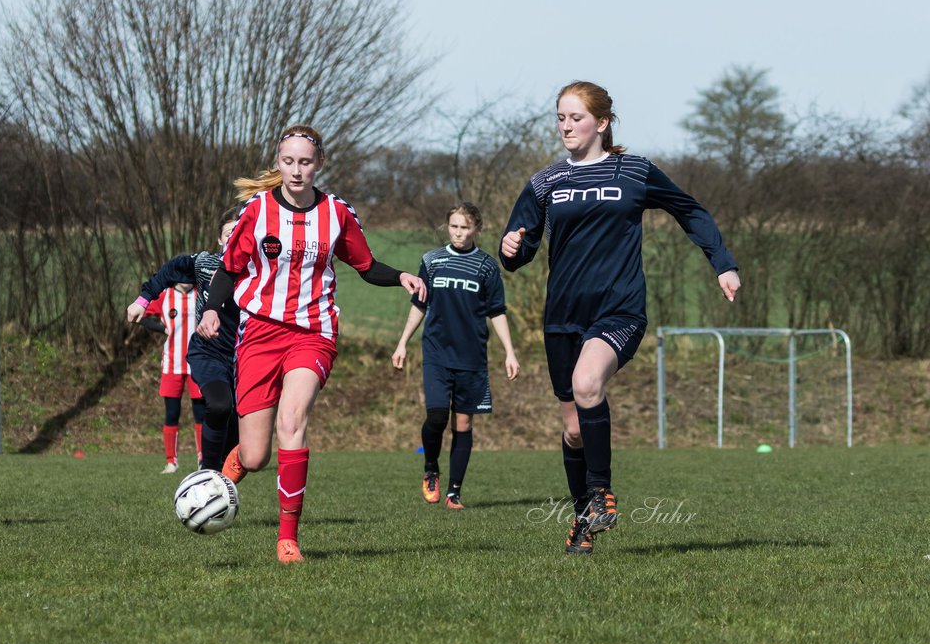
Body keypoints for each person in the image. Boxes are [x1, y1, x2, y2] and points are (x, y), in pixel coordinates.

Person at [499, 81, 740, 554]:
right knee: (572, 428)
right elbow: (520, 249)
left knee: (589, 383)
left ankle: (601, 492)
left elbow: (689, 211)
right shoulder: (546, 182)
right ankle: (582, 519)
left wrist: (723, 262)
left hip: (619, 308)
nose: (566, 126)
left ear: (602, 123)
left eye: (576, 118)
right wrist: (511, 247)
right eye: (560, 118)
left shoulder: (634, 170)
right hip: (562, 316)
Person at [197, 125, 426, 563]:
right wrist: (211, 309)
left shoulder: (337, 213)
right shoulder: (257, 211)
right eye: (289, 162)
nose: (297, 170)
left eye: (305, 162)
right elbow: (229, 269)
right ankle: (217, 483)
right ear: (278, 162)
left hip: (313, 333)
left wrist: (400, 276)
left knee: (293, 420)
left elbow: (365, 263)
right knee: (256, 453)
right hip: (260, 334)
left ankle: (288, 538)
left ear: (319, 164)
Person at [392, 202, 520, 510]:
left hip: (472, 356)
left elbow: (497, 312)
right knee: (436, 416)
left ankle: (454, 493)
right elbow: (419, 305)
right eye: (453, 226)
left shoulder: (487, 267)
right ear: (447, 227)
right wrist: (402, 343)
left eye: (464, 227)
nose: (458, 232)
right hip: (436, 352)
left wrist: (509, 353)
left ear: (477, 229)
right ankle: (431, 468)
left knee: (463, 425)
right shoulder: (432, 261)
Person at [125, 210, 242, 474]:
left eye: (239, 232)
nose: (233, 237)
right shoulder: (205, 264)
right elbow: (170, 270)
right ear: (220, 240)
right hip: (209, 352)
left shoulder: (260, 269)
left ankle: (221, 474)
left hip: (246, 356)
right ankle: (207, 473)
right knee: (219, 405)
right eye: (228, 233)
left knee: (240, 435)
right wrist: (143, 300)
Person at [136, 283, 205, 473]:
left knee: (201, 413)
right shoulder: (165, 296)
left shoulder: (201, 293)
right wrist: (161, 329)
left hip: (197, 363)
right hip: (172, 364)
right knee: (172, 413)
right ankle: (171, 462)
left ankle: (203, 460)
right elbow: (140, 316)